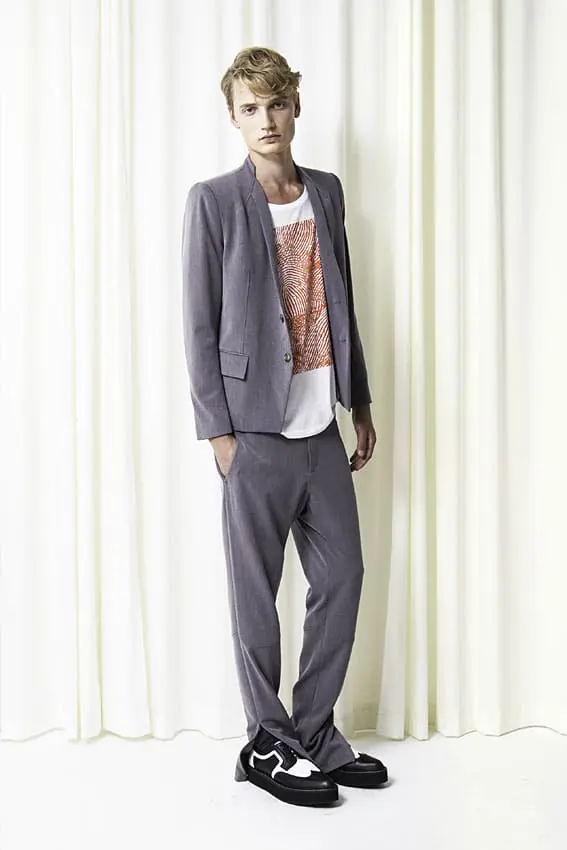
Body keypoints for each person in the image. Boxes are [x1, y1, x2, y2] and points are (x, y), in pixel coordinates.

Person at [181, 46, 388, 807]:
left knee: (342, 577)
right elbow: (198, 325)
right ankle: (267, 739)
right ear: (233, 118)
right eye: (250, 108)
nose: (265, 119)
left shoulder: (324, 192)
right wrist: (220, 436)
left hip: (320, 426)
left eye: (275, 103)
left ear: (294, 107)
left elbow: (343, 300)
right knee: (255, 595)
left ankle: (314, 732)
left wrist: (359, 402)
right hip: (254, 433)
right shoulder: (213, 202)